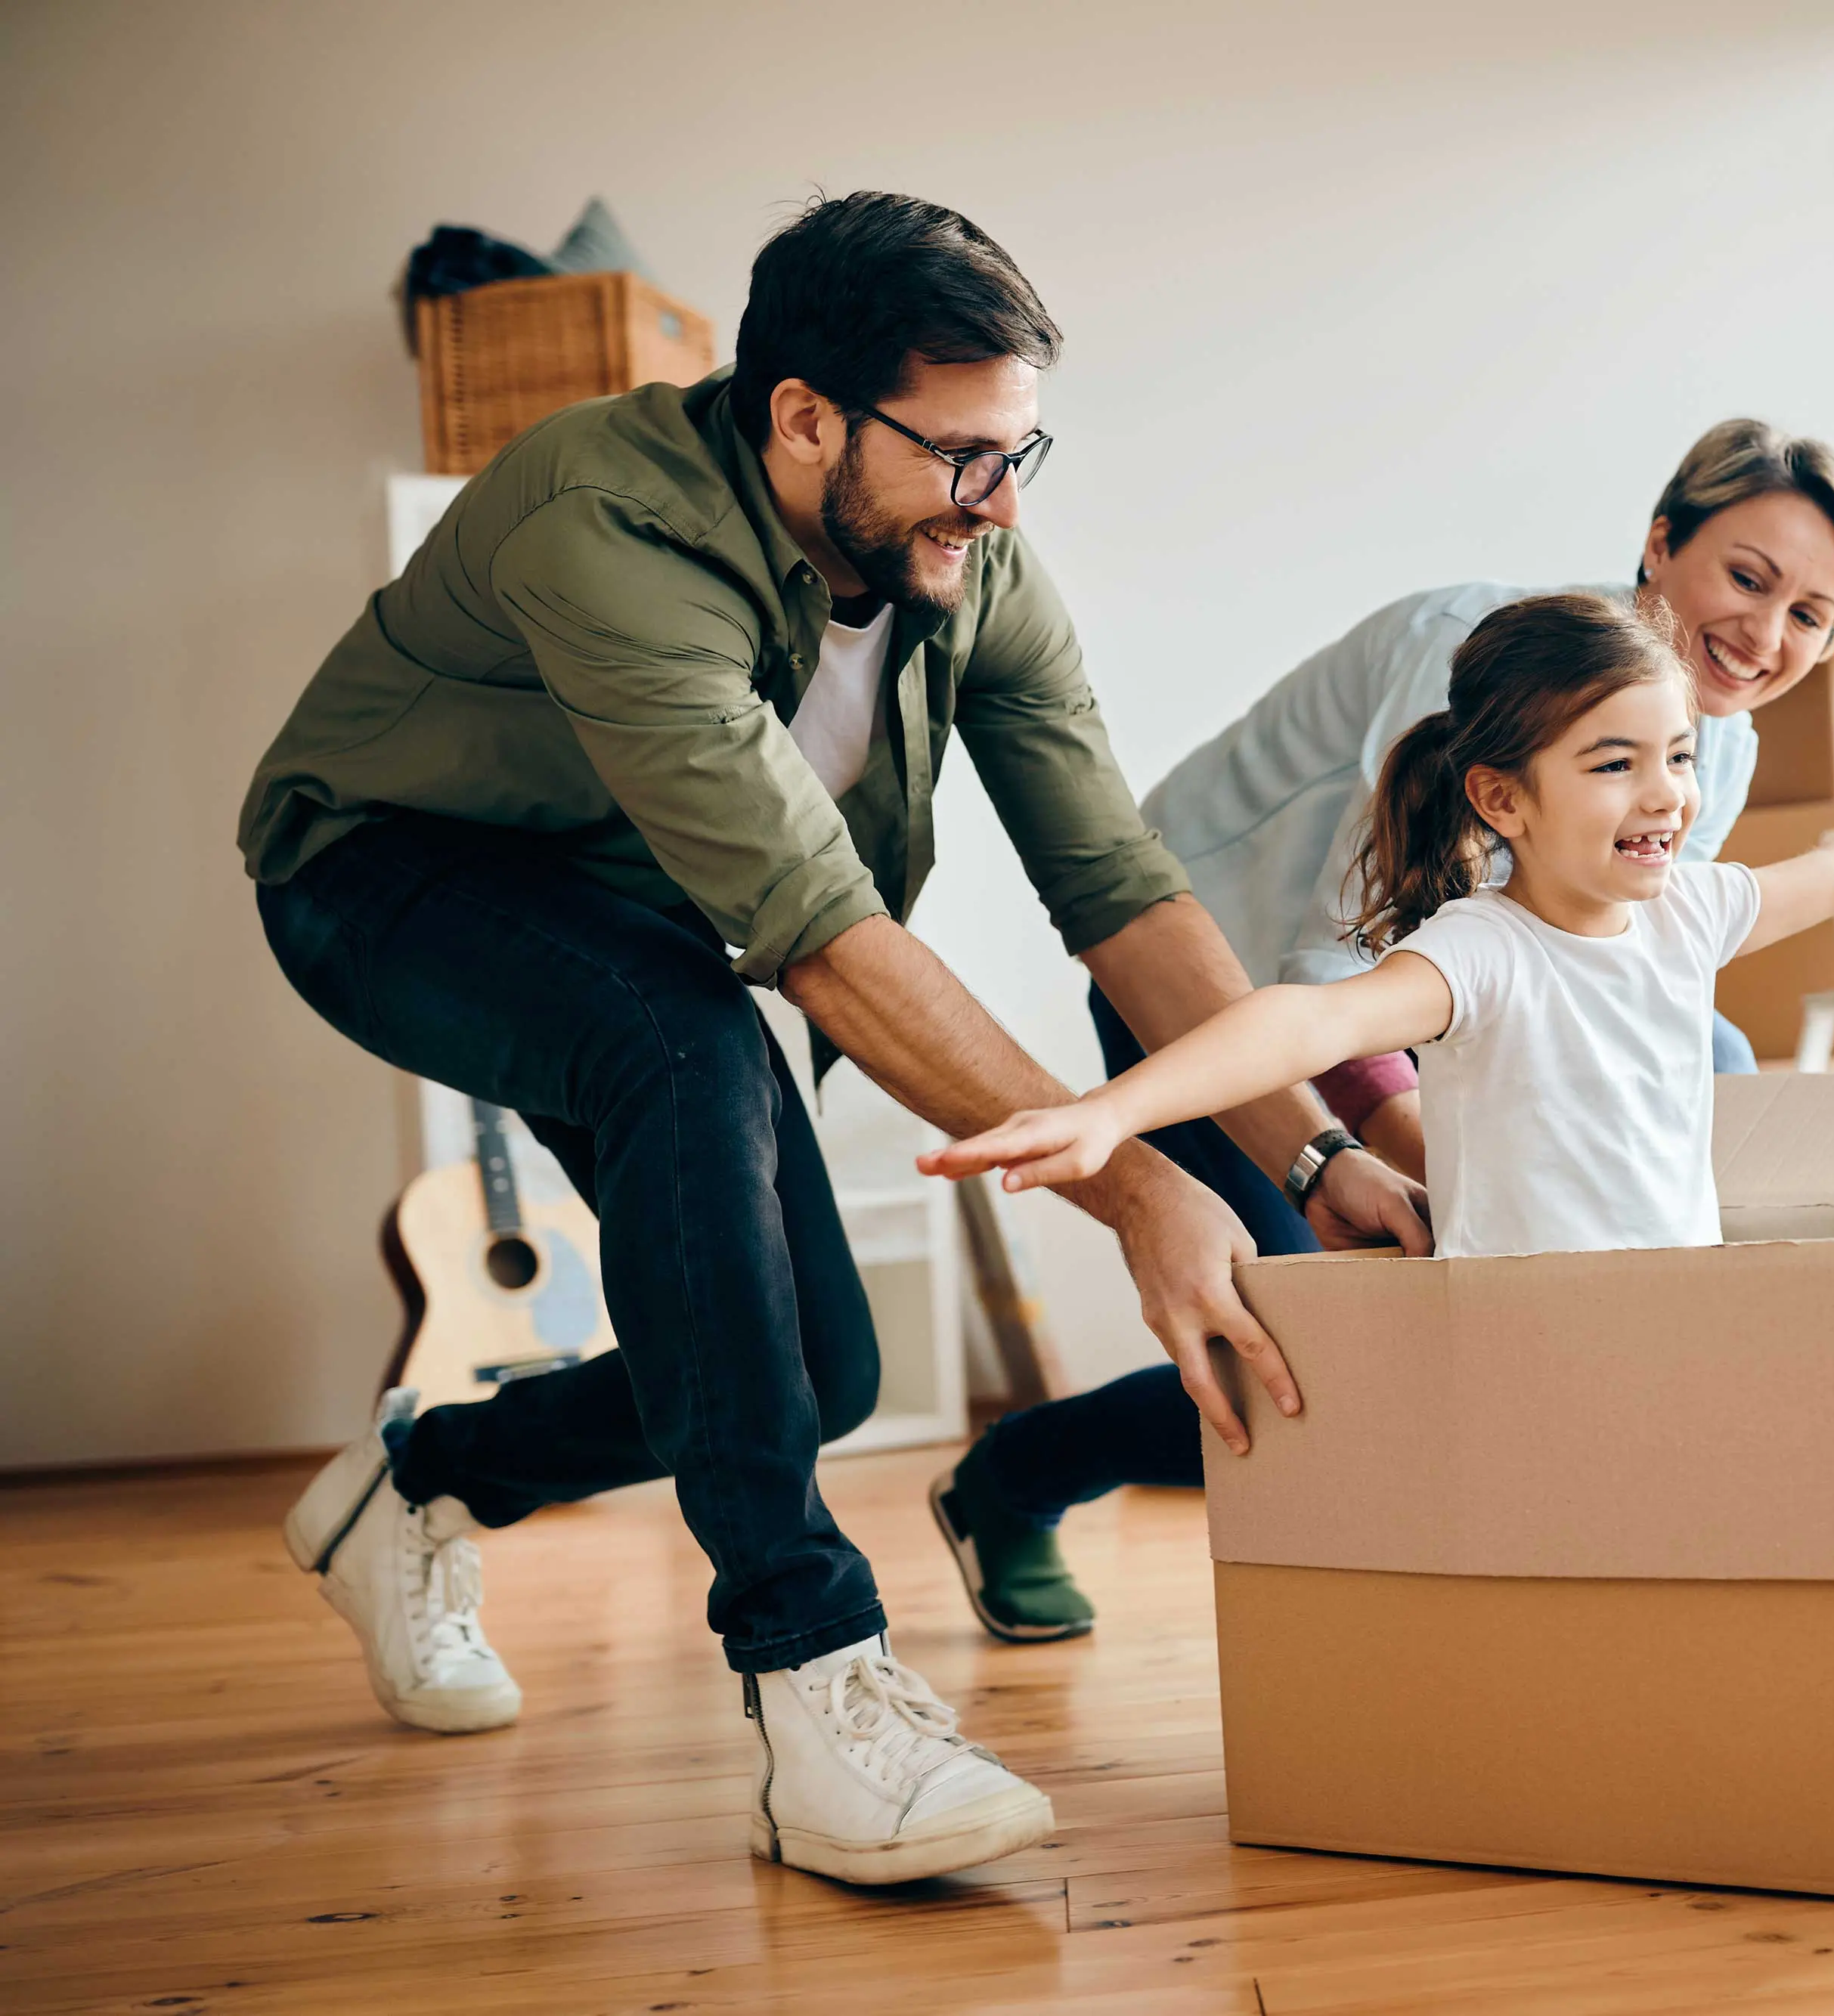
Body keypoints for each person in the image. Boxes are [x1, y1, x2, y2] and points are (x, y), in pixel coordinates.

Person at [241, 192, 1427, 1887]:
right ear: (802, 416)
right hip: (380, 871)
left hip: (638, 919)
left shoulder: (968, 559)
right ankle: (816, 1691)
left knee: (816, 1373)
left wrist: (1312, 1147)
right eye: (962, 455)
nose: (1001, 502)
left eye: (1023, 453)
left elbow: (1119, 888)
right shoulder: (604, 522)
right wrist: (1135, 1186)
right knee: (680, 1036)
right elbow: (816, 938)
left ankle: (422, 1480)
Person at [927, 422, 1834, 1637]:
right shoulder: (1468, 659)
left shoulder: (1717, 740)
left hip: (1406, 1003)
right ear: (1660, 543)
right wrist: (1420, 1149)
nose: (1766, 638)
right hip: (1214, 983)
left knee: (1721, 1071)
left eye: (1812, 614)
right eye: (1748, 579)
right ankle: (1014, 1478)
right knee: (1306, 1355)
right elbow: (1345, 953)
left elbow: (1627, 968)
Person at [922, 594, 1834, 1256]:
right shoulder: (1480, 952)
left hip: (1674, 1313)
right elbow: (1298, 1025)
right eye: (1615, 765)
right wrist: (1110, 1112)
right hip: (1525, 1337)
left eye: (1677, 756)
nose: (1665, 792)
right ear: (1503, 798)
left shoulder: (1692, 912)